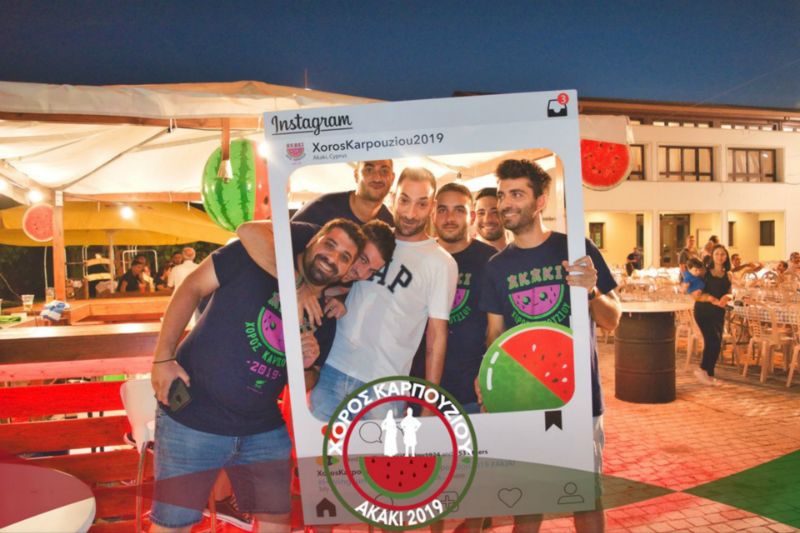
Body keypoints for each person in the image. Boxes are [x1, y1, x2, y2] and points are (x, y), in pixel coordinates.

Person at [148, 219, 365, 533]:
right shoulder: (253, 256)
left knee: (276, 523)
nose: (333, 257)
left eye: (344, 257)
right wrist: (163, 358)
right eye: (330, 244)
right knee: (174, 524)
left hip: (260, 428)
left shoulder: (325, 315)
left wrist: (305, 365)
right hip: (193, 415)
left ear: (346, 272)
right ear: (311, 240)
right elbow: (192, 287)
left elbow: (307, 381)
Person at [478, 159, 621, 533]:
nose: (505, 203)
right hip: (522, 398)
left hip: (577, 398)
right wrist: (490, 385)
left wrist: (591, 290)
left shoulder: (576, 248)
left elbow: (613, 319)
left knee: (585, 500)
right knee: (528, 504)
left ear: (540, 201)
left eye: (517, 194)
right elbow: (495, 336)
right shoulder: (495, 267)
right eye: (502, 195)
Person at [310, 167, 458, 421]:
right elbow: (343, 279)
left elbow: (436, 337)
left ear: (432, 206)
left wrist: (430, 403)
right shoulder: (370, 236)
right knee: (321, 448)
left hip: (384, 387)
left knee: (378, 450)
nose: (410, 213)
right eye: (404, 200)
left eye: (421, 204)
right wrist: (337, 298)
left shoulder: (441, 263)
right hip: (332, 369)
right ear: (392, 199)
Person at [432, 182, 496, 413]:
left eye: (459, 210)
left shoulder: (491, 261)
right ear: (433, 214)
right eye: (442, 210)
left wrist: (491, 377)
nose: (450, 218)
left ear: (471, 217)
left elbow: (497, 329)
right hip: (422, 388)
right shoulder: (421, 257)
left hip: (473, 390)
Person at [291, 159, 395, 227]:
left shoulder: (391, 224)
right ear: (356, 175)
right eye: (369, 170)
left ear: (392, 178)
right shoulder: (321, 207)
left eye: (384, 171)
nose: (377, 177)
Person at [691, 244, 732, 386]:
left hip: (719, 311)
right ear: (712, 256)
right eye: (717, 254)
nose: (720, 257)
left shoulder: (728, 275)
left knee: (717, 342)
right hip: (703, 310)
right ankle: (702, 369)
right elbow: (695, 294)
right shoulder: (704, 273)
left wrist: (728, 297)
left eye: (723, 254)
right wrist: (710, 299)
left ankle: (709, 374)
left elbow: (731, 293)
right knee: (711, 340)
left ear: (726, 257)